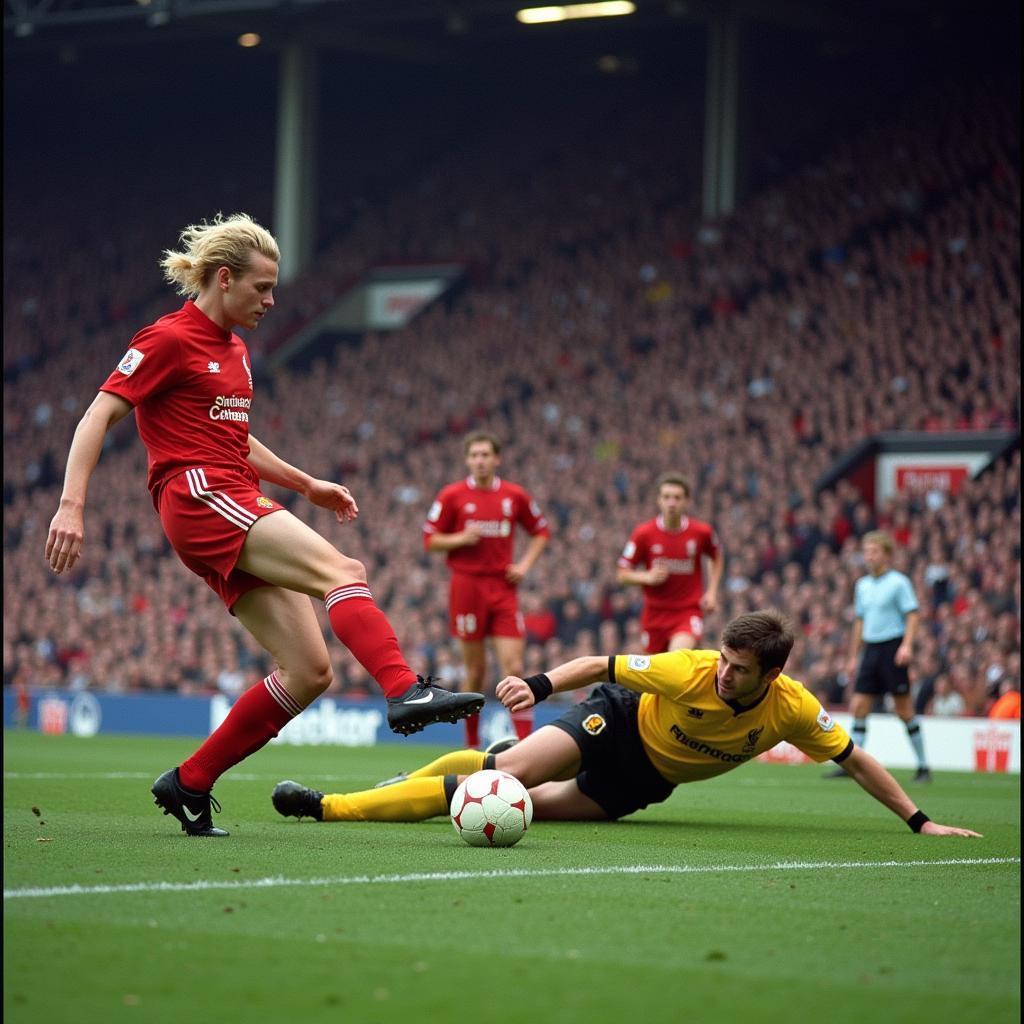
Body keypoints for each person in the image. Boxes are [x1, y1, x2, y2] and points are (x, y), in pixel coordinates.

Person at [44, 213, 484, 838]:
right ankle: (405, 689)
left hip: (229, 490)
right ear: (224, 279)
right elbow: (98, 414)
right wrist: (71, 504)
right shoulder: (168, 339)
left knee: (309, 670)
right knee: (343, 571)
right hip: (198, 493)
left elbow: (235, 437)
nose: (272, 301)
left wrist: (305, 483)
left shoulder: (235, 350)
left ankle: (190, 781)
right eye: (262, 287)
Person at [271, 609, 980, 838]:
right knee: (501, 779)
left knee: (526, 811)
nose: (722, 674)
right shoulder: (686, 667)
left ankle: (444, 779)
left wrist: (920, 823)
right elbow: (600, 663)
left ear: (771, 675)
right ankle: (331, 808)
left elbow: (855, 758)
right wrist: (538, 684)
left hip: (646, 781)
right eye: (723, 661)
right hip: (612, 723)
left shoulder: (793, 708)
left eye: (738, 670)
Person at [423, 431, 550, 747]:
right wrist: (460, 538)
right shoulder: (452, 496)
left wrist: (524, 566)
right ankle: (471, 745)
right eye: (474, 455)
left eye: (485, 455)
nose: (480, 461)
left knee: (516, 668)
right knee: (476, 672)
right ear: (467, 460)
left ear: (497, 459)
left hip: (503, 588)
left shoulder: (514, 496)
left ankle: (526, 746)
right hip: (466, 588)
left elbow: (541, 531)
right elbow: (430, 540)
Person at [827, 531, 930, 781]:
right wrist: (853, 656)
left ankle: (923, 766)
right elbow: (860, 622)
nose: (868, 556)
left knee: (903, 709)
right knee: (859, 706)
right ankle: (851, 764)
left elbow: (913, 615)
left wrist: (907, 645)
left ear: (886, 554)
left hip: (892, 648)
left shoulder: (898, 582)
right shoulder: (862, 585)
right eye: (866, 552)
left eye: (874, 551)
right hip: (871, 650)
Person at [616, 472, 723, 654]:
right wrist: (647, 577)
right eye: (666, 497)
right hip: (654, 615)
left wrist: (712, 592)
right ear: (659, 500)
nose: (671, 503)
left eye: (677, 498)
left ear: (687, 501)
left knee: (676, 658)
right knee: (655, 672)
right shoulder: (643, 534)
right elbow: (622, 574)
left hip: (687, 611)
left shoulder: (701, 532)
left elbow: (716, 556)